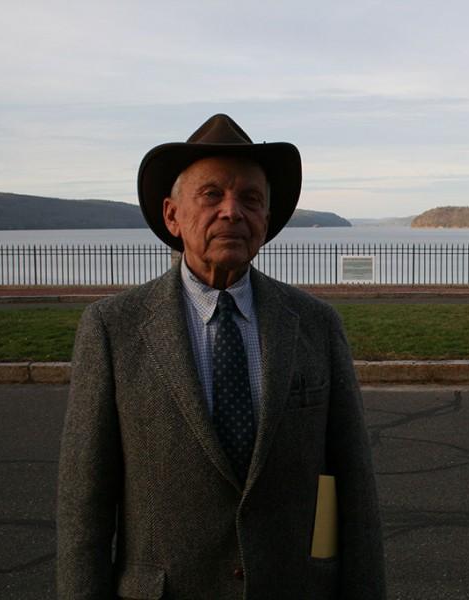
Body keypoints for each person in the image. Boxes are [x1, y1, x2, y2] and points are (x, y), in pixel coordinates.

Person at [57, 114, 386, 599]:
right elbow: (84, 509)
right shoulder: (112, 329)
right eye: (211, 195)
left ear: (267, 220)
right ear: (172, 215)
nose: (232, 211)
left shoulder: (316, 325)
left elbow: (353, 491)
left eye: (250, 199)